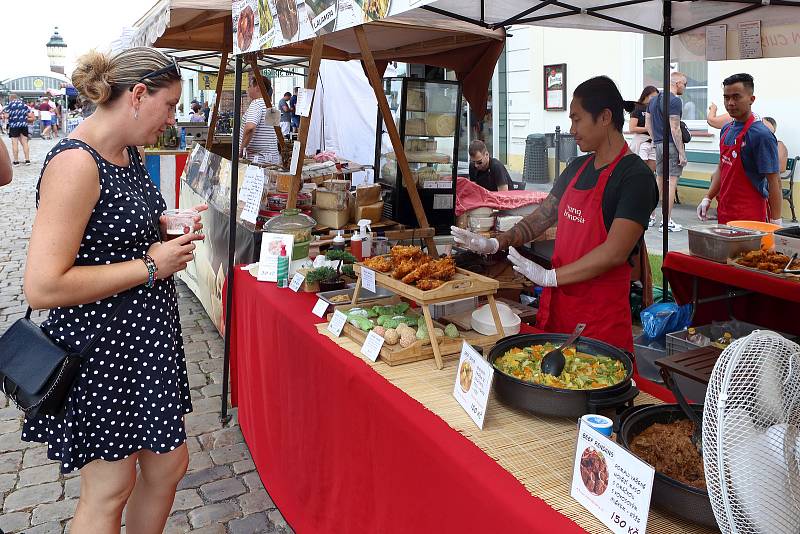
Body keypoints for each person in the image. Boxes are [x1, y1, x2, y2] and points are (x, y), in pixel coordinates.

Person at [22, 46, 206, 534]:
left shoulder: (128, 153)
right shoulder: (75, 164)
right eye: (169, 105)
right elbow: (42, 286)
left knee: (168, 466)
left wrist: (162, 227)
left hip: (145, 346)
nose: (172, 118)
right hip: (102, 352)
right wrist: (151, 264)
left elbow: (109, 237)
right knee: (109, 489)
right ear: (139, 95)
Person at [452, 76, 658, 352]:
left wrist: (551, 276)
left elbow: (614, 252)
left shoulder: (635, 177)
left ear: (605, 117)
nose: (572, 129)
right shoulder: (577, 167)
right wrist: (495, 242)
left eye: (577, 119)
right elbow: (542, 217)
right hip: (559, 312)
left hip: (599, 322)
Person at [697, 73, 781, 225]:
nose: (730, 103)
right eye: (726, 97)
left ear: (751, 99)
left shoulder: (761, 135)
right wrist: (708, 197)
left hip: (751, 215)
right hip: (725, 210)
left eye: (736, 97)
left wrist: (776, 222)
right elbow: (722, 167)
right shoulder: (726, 129)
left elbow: (774, 181)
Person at [645, 71, 688, 233]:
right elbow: (675, 127)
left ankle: (650, 217)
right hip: (671, 145)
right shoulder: (675, 100)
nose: (685, 87)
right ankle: (667, 221)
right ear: (677, 83)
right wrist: (682, 153)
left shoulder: (653, 100)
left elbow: (648, 122)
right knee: (671, 183)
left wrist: (656, 139)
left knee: (659, 181)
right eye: (684, 84)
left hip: (659, 145)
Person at [240, 75, 280, 164]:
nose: (248, 89)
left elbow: (250, 127)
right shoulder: (272, 107)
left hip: (258, 160)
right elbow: (271, 134)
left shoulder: (256, 104)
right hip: (272, 158)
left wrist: (241, 149)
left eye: (250, 86)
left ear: (257, 87)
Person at [628, 85, 659, 174]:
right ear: (646, 96)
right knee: (640, 169)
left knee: (650, 171)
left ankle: (648, 186)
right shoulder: (637, 107)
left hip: (653, 141)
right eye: (652, 97)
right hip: (642, 141)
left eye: (656, 98)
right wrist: (648, 128)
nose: (655, 100)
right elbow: (632, 128)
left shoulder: (655, 109)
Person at [2, 94, 32, 165]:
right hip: (24, 125)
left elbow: (7, 116)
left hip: (14, 126)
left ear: (10, 98)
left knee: (15, 143)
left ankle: (16, 161)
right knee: (25, 142)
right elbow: (29, 115)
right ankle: (27, 160)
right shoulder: (23, 104)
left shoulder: (10, 105)